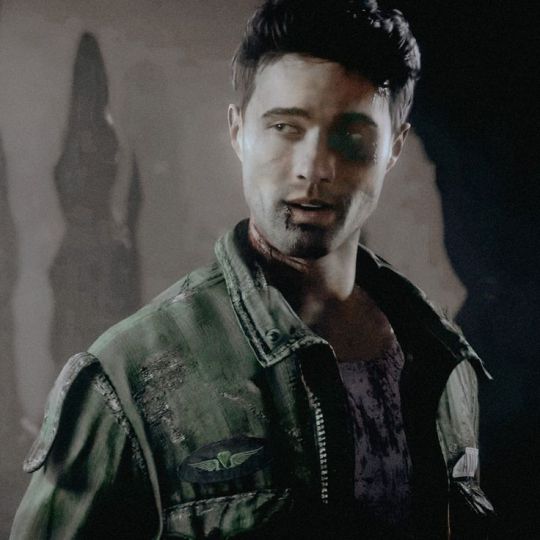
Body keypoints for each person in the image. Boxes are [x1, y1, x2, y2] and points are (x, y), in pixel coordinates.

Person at [11, 1, 495, 538]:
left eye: (352, 136)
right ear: (238, 132)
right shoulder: (126, 380)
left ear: (394, 148)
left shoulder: (442, 358)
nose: (315, 167)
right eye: (286, 127)